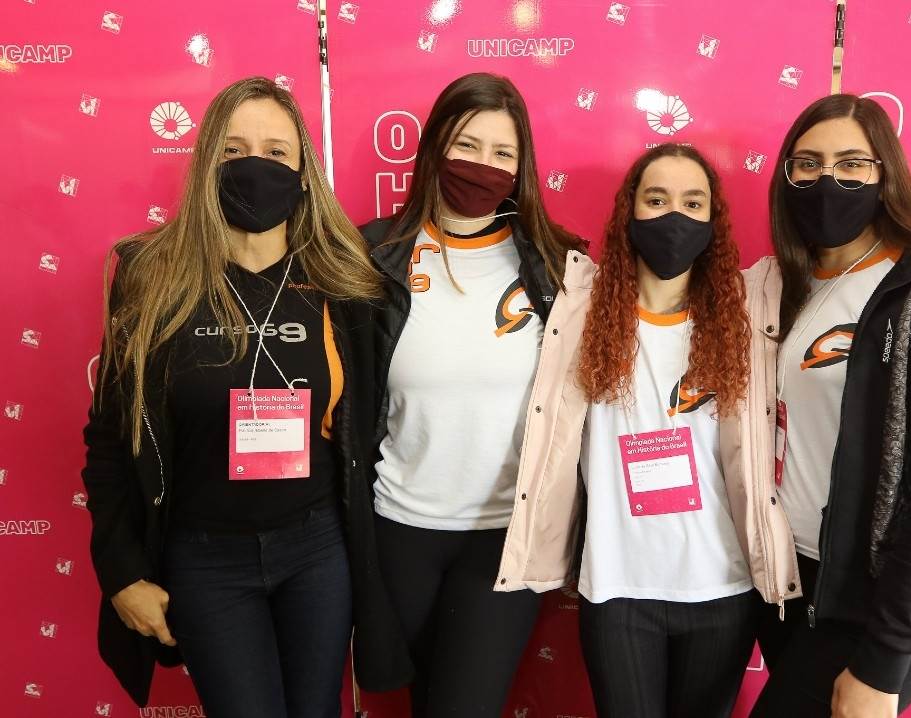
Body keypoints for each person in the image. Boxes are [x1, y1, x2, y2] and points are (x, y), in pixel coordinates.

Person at [82, 76, 410, 717]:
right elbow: (111, 439)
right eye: (233, 151)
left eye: (276, 152)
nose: (254, 166)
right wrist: (121, 572)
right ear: (207, 164)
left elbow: (370, 425)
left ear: (304, 172)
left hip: (317, 550)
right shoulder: (153, 278)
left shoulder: (344, 281)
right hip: (205, 559)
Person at [495, 142, 802, 718]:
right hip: (617, 588)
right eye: (656, 200)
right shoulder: (580, 310)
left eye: (693, 203)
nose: (674, 218)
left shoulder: (747, 314)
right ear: (629, 212)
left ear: (713, 221)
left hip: (722, 586)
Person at [751, 94, 911, 717]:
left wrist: (885, 660)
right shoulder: (783, 287)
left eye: (852, 164)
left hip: (874, 603)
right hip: (790, 582)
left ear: (885, 174)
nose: (827, 181)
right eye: (808, 164)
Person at [357, 72, 582, 717]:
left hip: (505, 537)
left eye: (502, 152)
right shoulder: (372, 255)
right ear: (433, 148)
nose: (483, 165)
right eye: (466, 145)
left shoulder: (559, 264)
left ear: (522, 165)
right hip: (398, 528)